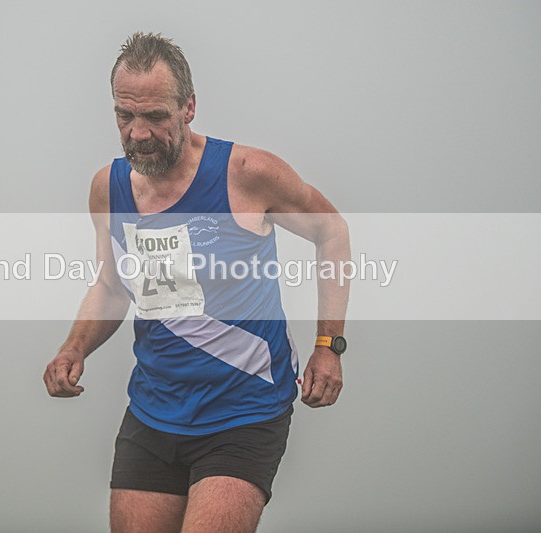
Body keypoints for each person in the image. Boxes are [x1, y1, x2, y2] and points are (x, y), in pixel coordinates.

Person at [43, 32, 350, 533]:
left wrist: (328, 344)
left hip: (244, 412)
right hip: (153, 411)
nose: (138, 133)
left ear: (188, 107)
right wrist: (74, 347)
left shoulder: (247, 173)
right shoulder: (109, 188)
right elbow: (113, 284)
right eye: (125, 115)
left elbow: (331, 231)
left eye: (156, 117)